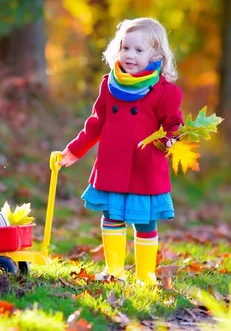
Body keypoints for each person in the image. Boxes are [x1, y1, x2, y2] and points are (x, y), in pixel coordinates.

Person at [59, 18, 183, 285]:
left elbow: (174, 123)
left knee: (145, 221)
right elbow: (95, 124)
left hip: (145, 166)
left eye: (139, 51)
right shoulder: (109, 85)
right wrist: (74, 150)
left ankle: (145, 276)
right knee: (112, 216)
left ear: (156, 54)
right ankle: (114, 271)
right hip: (113, 165)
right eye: (126, 48)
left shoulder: (164, 92)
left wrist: (173, 138)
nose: (130, 55)